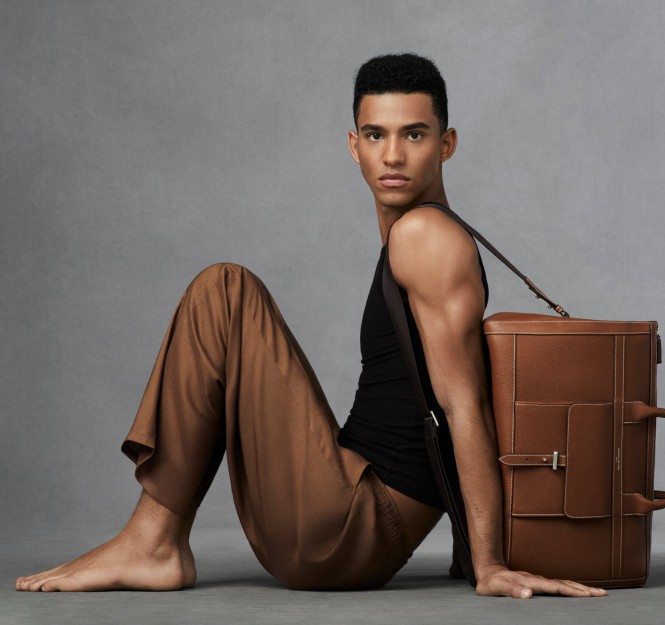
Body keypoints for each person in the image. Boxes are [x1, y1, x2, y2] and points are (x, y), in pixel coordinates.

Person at [16, 53, 606, 599]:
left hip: (355, 528)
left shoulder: (426, 236)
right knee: (225, 294)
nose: (392, 156)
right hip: (350, 502)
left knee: (224, 290)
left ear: (446, 144)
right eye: (375, 135)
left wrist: (489, 563)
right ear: (353, 145)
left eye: (414, 134)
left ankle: (152, 542)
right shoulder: (419, 233)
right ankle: (151, 543)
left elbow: (463, 405)